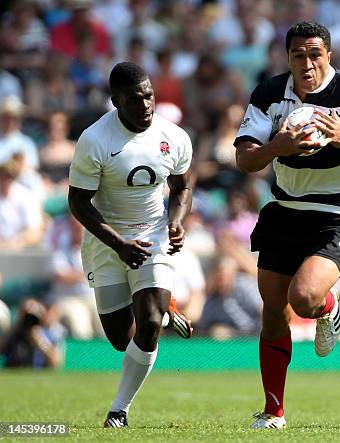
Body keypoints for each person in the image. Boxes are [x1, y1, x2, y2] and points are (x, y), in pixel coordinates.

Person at [234, 21, 340, 429]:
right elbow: (244, 159)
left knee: (306, 297)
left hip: (338, 211)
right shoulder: (269, 94)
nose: (308, 63)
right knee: (273, 310)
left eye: (315, 54)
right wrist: (278, 146)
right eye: (299, 55)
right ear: (288, 58)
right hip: (285, 208)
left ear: (329, 55)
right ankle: (273, 410)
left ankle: (327, 309)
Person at [68, 62, 193, 428]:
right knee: (124, 340)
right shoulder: (95, 140)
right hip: (107, 240)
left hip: (153, 235)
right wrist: (119, 243)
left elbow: (183, 185)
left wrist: (176, 221)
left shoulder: (174, 136)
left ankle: (119, 410)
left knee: (149, 323)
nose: (146, 105)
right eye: (135, 99)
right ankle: (164, 309)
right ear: (116, 101)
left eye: (149, 95)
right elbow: (78, 203)